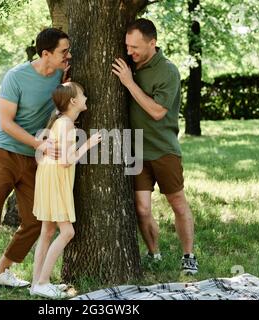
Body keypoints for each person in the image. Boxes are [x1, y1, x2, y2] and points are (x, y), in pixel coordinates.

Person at [0, 27, 72, 299]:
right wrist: (39, 144)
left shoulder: (59, 77)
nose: (69, 55)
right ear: (45, 54)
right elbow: (6, 123)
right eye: (64, 51)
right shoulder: (16, 77)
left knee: (34, 220)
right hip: (2, 152)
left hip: (31, 159)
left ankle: (2, 271)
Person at [112, 18, 198, 275]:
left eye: (135, 47)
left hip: (163, 149)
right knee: (141, 208)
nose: (130, 52)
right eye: (127, 46)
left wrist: (129, 83)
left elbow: (157, 111)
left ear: (153, 43)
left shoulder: (167, 71)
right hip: (135, 149)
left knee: (177, 203)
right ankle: (154, 252)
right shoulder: (129, 64)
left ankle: (188, 256)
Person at [29, 82, 102, 299]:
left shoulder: (61, 121)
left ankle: (36, 284)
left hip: (47, 176)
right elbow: (66, 161)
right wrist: (88, 144)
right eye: (83, 94)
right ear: (73, 101)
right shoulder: (67, 124)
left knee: (47, 232)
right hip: (56, 177)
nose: (86, 97)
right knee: (67, 232)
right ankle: (42, 282)